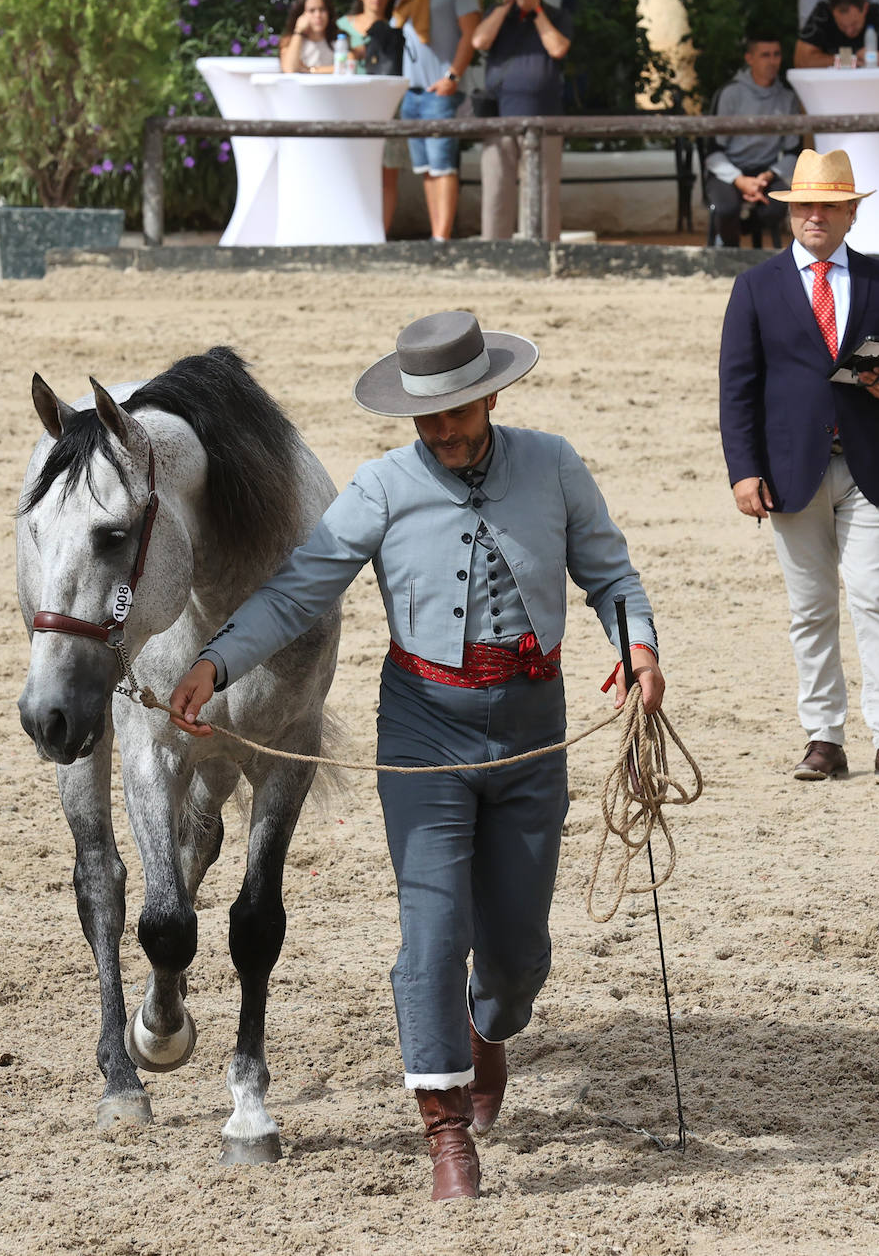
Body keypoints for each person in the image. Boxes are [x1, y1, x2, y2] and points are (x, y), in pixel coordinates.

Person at [169, 310, 664, 1202]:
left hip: (531, 729)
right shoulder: (381, 486)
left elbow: (611, 577)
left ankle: (491, 1031)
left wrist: (639, 648)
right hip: (423, 730)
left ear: (491, 395)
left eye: (457, 412)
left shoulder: (552, 465)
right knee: (431, 934)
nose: (441, 430)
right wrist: (214, 660)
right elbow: (297, 589)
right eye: (426, 416)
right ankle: (445, 1134)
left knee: (516, 955)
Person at [718, 148, 879, 785]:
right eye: (805, 205)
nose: (816, 214)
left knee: (874, 598)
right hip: (788, 472)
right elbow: (737, 385)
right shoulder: (755, 286)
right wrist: (742, 470)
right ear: (790, 214)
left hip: (868, 466)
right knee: (810, 609)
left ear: (849, 214)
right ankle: (824, 738)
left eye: (829, 205)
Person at [472, 0, 573, 242]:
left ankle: (543, 252)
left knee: (543, 190)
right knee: (496, 189)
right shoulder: (498, 13)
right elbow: (479, 41)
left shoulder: (556, 15)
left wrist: (536, 10)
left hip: (544, 115)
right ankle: (495, 253)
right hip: (499, 116)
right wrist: (506, 4)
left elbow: (557, 49)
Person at [394, 0, 481, 242]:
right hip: (413, 92)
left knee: (443, 167)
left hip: (441, 91)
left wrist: (452, 77)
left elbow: (471, 34)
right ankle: (436, 236)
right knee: (426, 169)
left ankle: (442, 241)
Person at [703, 33, 801, 247]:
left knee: (777, 207)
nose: (772, 61)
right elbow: (712, 151)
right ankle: (729, 250)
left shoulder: (787, 98)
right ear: (750, 59)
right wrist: (740, 180)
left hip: (765, 171)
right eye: (765, 55)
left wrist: (767, 176)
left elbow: (794, 151)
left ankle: (750, 245)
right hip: (727, 170)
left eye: (776, 55)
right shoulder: (730, 94)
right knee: (727, 208)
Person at [338, 0, 411, 233]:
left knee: (386, 174)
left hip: (387, 104)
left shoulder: (398, 25)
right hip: (351, 104)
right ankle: (352, 230)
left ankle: (380, 233)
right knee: (352, 172)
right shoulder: (343, 25)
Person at [278, 0, 337, 73]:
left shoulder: (338, 39)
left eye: (322, 9)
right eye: (312, 10)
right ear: (301, 14)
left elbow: (347, 67)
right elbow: (289, 69)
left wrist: (309, 70)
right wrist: (298, 31)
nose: (318, 15)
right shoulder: (289, 41)